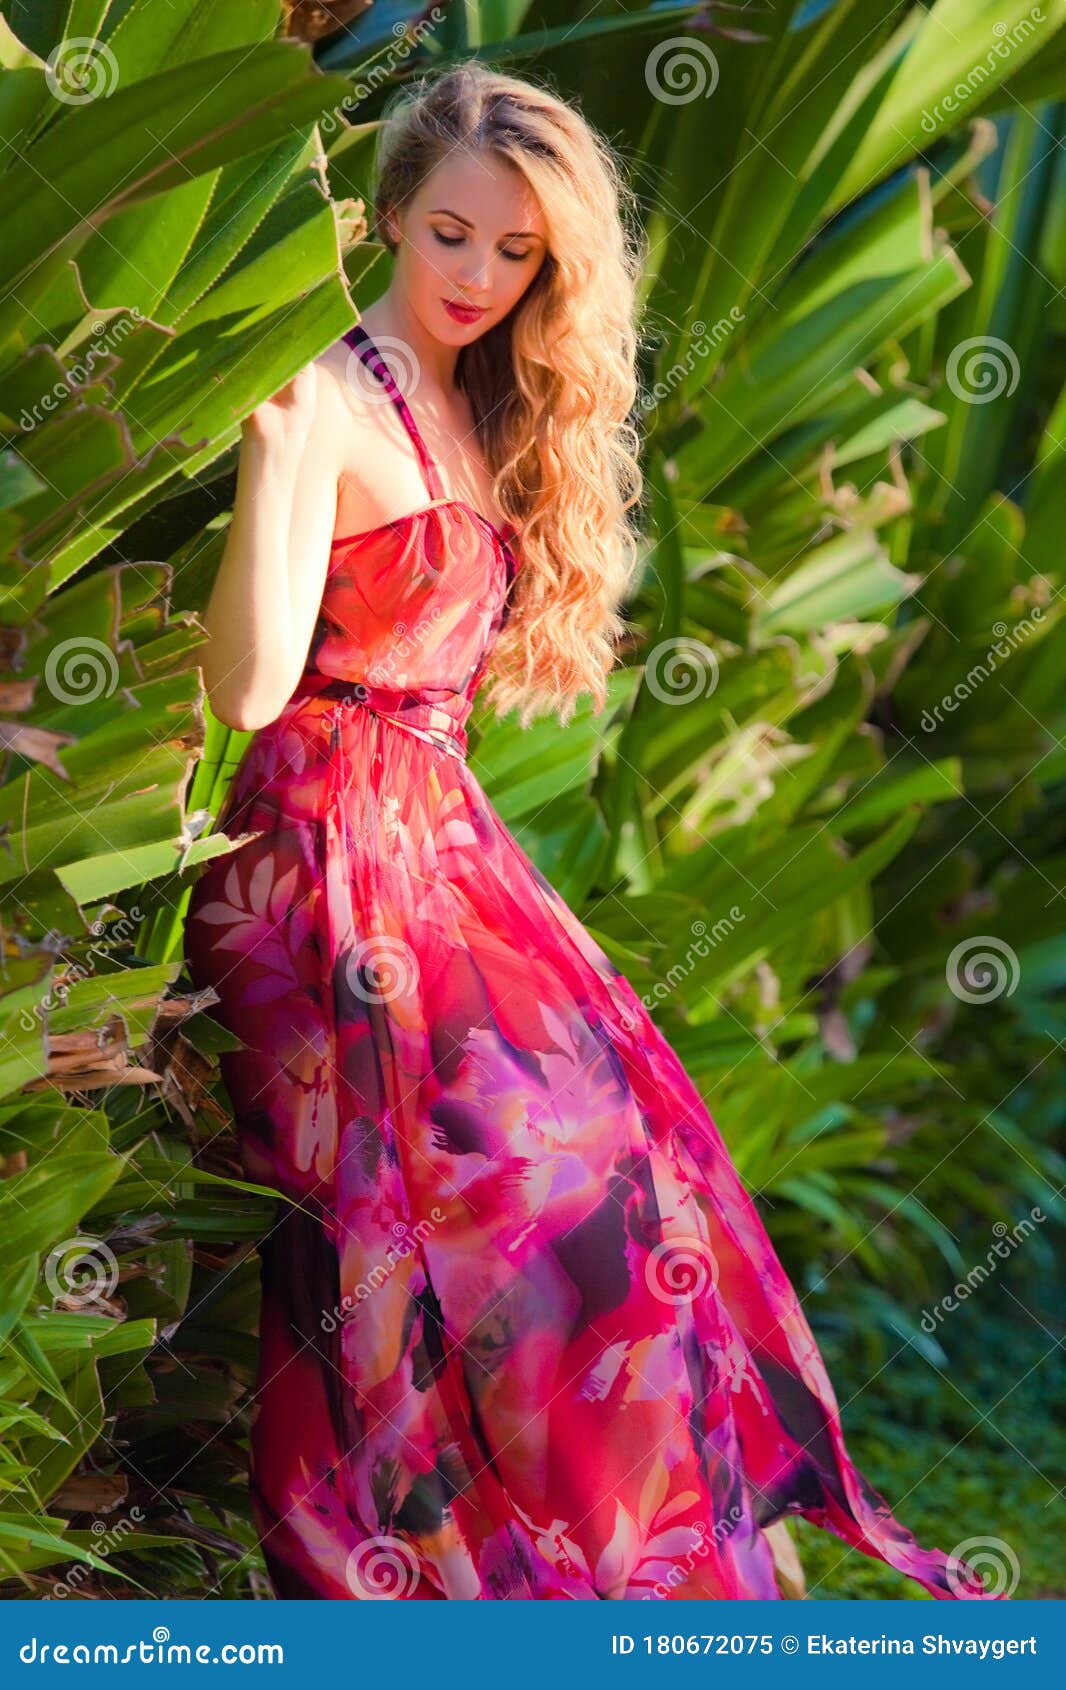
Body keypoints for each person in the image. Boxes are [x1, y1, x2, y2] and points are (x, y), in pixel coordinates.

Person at [183, 60, 999, 1602]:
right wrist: (278, 463)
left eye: (515, 253)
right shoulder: (333, 397)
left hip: (440, 846)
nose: (479, 278)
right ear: (386, 218)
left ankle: (615, 1578)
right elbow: (245, 692)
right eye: (449, 237)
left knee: (631, 1191)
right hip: (318, 858)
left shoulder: (484, 401)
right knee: (500, 1209)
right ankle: (429, 1576)